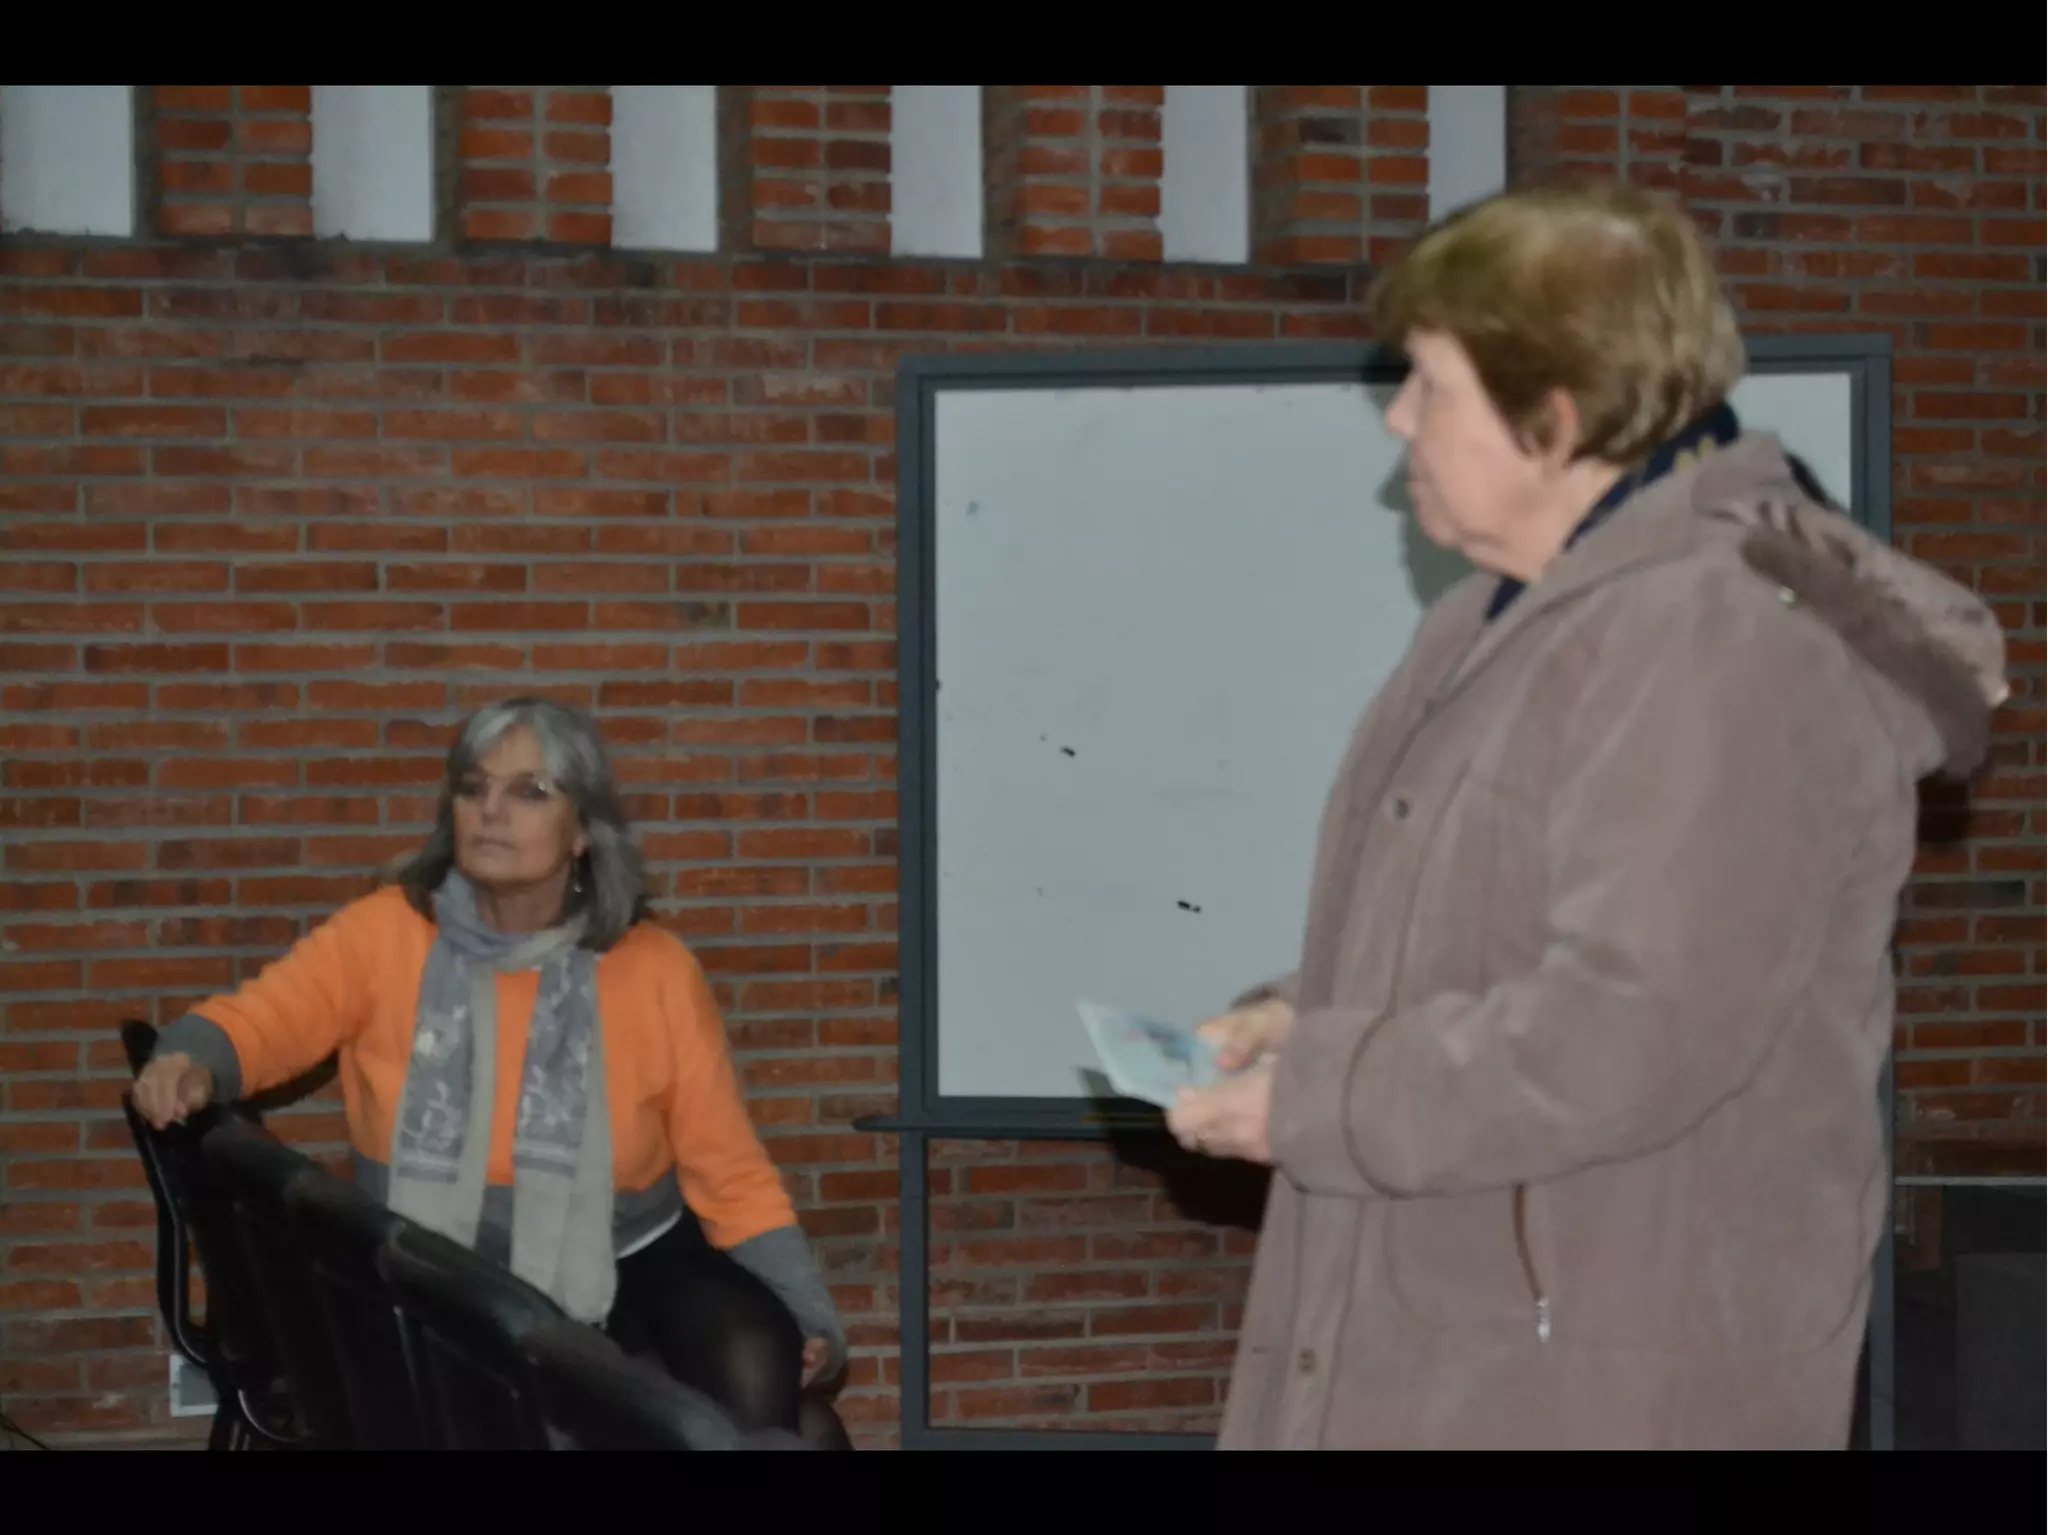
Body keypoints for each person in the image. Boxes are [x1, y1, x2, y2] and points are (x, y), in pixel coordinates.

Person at [1164, 181, 2009, 1450]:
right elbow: (1492, 933)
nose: (1396, 417)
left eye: (1430, 385)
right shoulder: (1488, 616)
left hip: (1597, 1373)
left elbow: (1629, 1030)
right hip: (1452, 1340)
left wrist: (1317, 1096)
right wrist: (1304, 1015)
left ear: (1551, 419)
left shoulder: (1719, 643)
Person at [133, 697, 849, 1444]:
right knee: (806, 1433)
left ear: (583, 830)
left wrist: (807, 1311)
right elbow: (261, 1020)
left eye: (529, 791)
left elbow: (729, 1168)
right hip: (450, 1274)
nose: (492, 811)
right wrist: (192, 1058)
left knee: (765, 1367)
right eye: (473, 788)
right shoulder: (385, 933)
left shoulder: (656, 967)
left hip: (631, 1252)